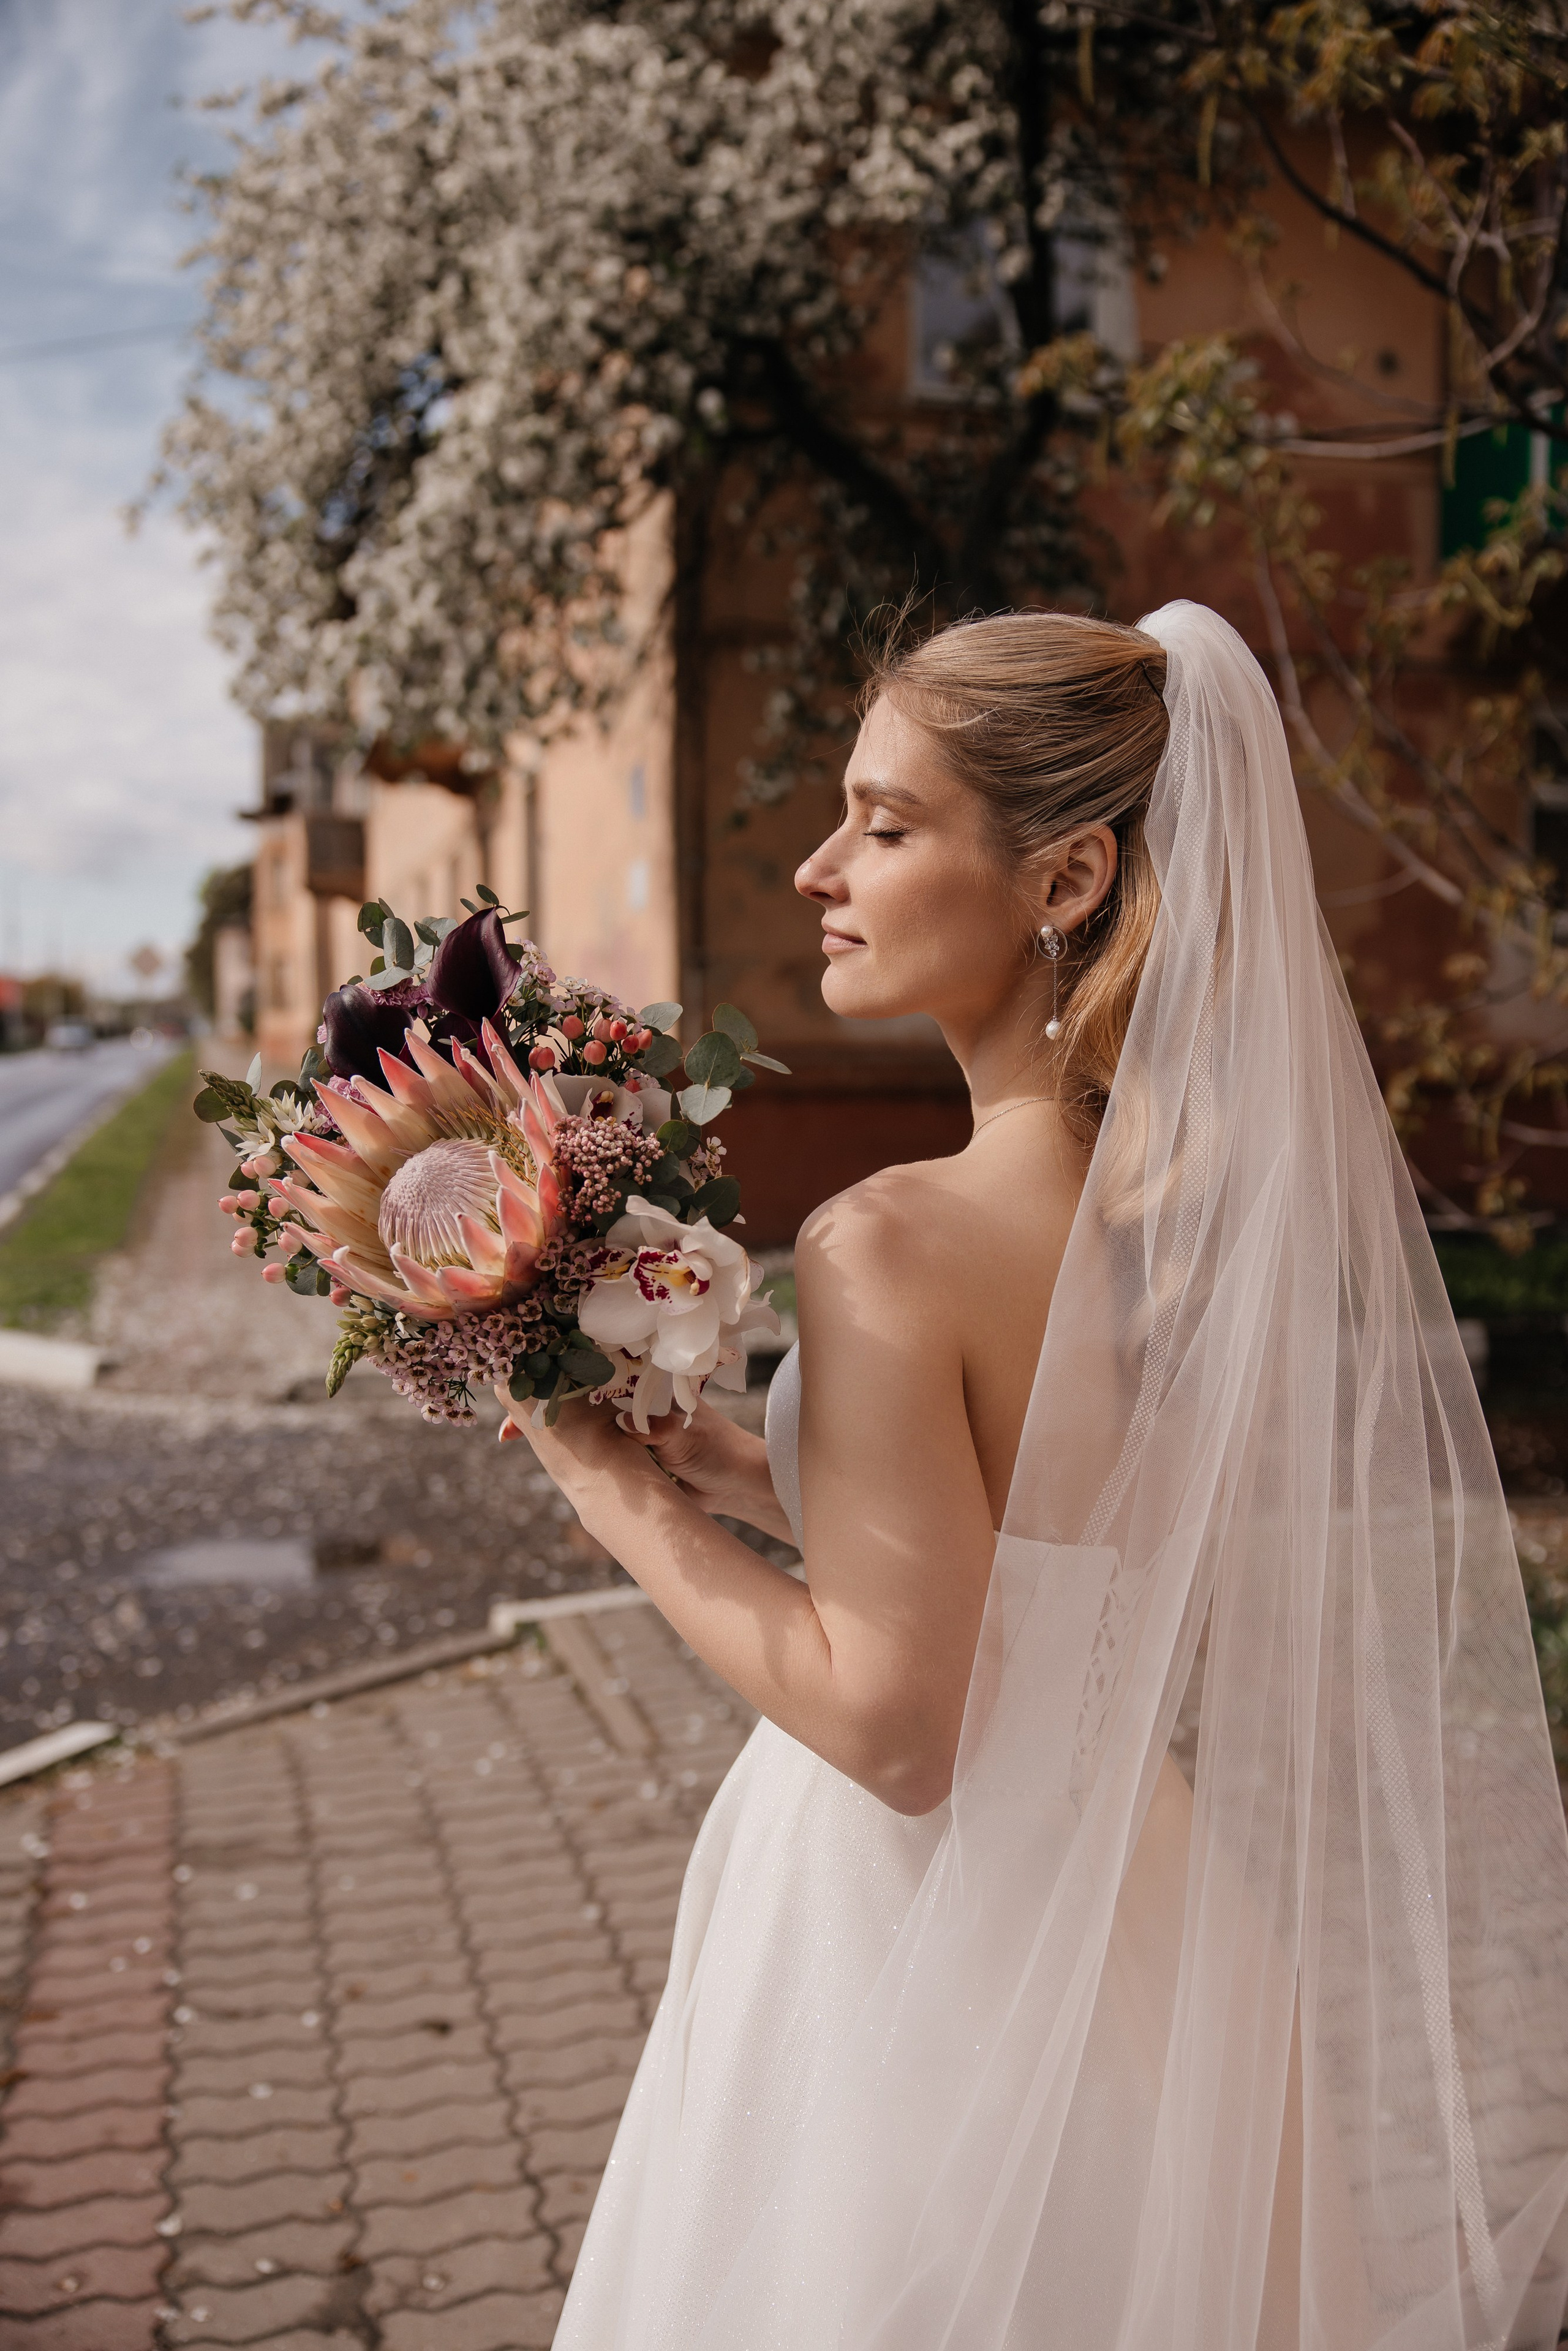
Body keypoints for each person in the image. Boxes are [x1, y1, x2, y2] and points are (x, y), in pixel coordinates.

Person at [512, 602, 1568, 2350]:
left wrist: (599, 1480)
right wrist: (759, 1474)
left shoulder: (886, 1245)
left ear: (1067, 879)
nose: (817, 868)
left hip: (918, 1942)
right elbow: (1055, 1535)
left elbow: (897, 1731)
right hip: (1141, 1906)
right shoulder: (1176, 1210)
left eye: (888, 821)